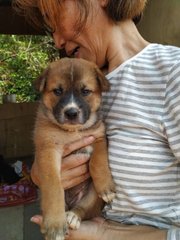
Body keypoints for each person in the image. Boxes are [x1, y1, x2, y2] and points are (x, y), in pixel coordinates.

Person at [13, 0, 180, 239]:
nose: (57, 40)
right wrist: (42, 175)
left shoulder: (173, 73)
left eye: (55, 18)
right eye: (51, 31)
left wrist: (105, 234)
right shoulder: (76, 74)